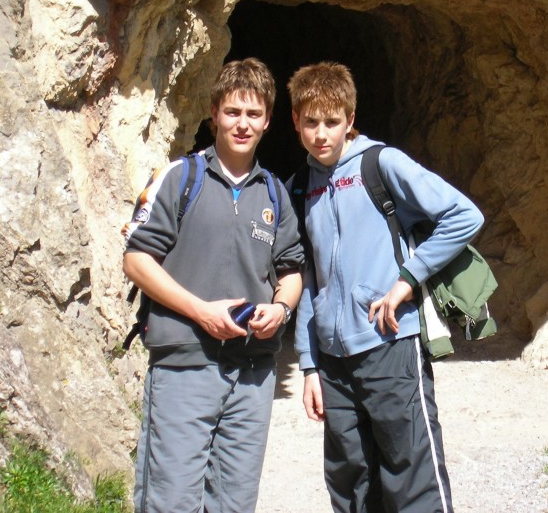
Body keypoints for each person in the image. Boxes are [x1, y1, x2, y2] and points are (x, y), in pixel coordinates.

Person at [288, 62, 484, 513]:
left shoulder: (380, 164)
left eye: (332, 122)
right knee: (351, 486)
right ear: (295, 121)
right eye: (311, 122)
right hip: (332, 362)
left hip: (390, 342)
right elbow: (308, 279)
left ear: (350, 119)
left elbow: (464, 216)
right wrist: (309, 365)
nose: (321, 134)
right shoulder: (299, 188)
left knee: (412, 478)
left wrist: (408, 279)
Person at [121, 58, 304, 513]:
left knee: (234, 503)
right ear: (214, 113)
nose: (243, 124)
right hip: (184, 365)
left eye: (254, 114)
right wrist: (201, 312)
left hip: (252, 373)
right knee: (171, 501)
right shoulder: (180, 178)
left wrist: (281, 310)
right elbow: (137, 260)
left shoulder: (275, 194)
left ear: (268, 121)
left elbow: (291, 272)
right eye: (233, 112)